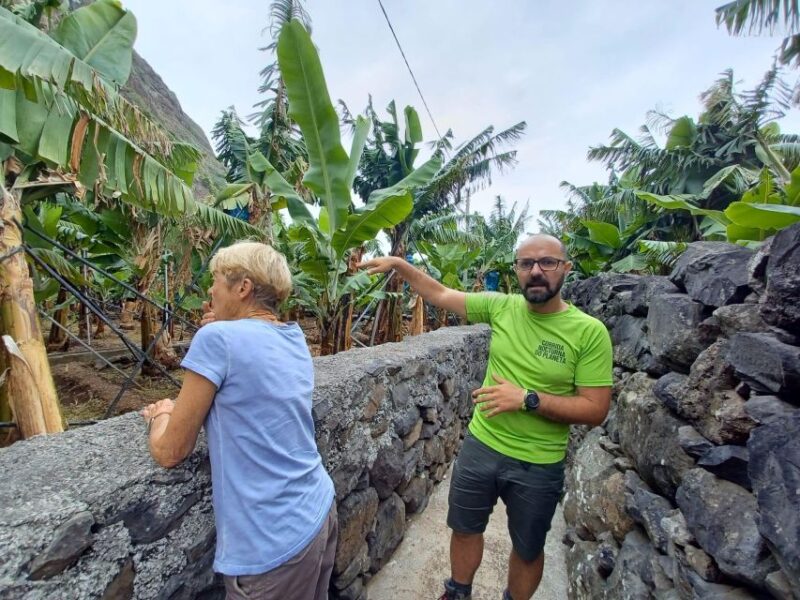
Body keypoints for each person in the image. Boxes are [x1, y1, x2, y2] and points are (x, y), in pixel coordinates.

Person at [359, 234, 613, 600]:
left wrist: (527, 399)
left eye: (547, 262)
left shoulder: (589, 332)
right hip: (482, 446)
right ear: (517, 271)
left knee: (528, 549)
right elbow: (441, 295)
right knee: (464, 527)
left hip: (539, 462)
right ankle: (458, 591)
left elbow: (595, 409)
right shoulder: (501, 307)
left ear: (566, 268)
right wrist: (400, 266)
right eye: (526, 264)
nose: (536, 271)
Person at [141, 241, 337, 600]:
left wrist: (161, 416)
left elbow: (170, 451)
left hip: (271, 545)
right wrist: (224, 325)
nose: (210, 291)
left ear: (243, 287)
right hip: (318, 510)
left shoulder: (217, 339)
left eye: (216, 281)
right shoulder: (293, 338)